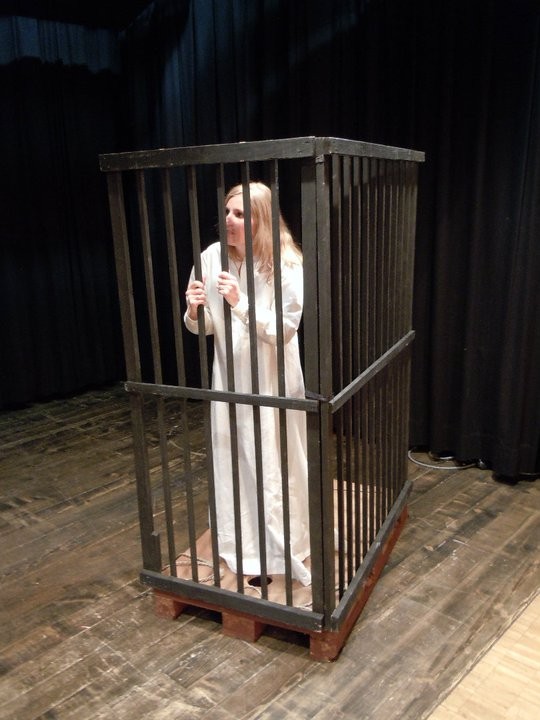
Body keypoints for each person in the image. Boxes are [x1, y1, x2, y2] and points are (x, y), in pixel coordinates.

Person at [184, 182, 311, 586]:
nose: (229, 220)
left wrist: (241, 302)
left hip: (273, 381)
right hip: (229, 379)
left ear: (261, 220)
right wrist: (193, 310)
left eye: (240, 214)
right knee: (233, 458)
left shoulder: (286, 263)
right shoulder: (211, 257)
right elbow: (203, 327)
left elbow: (284, 330)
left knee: (274, 460)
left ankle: (283, 546)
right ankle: (240, 545)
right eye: (227, 212)